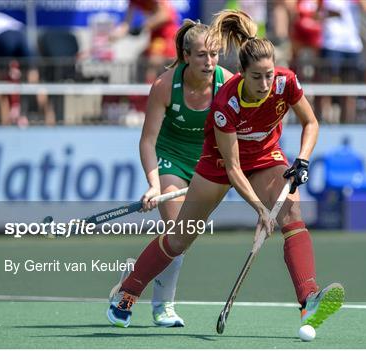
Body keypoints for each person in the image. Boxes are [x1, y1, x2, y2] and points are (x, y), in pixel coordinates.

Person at [107, 9, 344, 330]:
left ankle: (309, 301)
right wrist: (260, 209)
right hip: (218, 163)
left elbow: (310, 122)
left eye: (269, 75)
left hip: (264, 157)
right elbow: (233, 168)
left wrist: (301, 159)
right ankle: (128, 292)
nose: (264, 83)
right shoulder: (226, 102)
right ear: (241, 74)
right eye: (257, 76)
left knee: (291, 214)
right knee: (180, 238)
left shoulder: (286, 81)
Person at [107, 19, 232, 328]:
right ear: (186, 56)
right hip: (171, 159)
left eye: (214, 54)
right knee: (178, 232)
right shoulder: (165, 85)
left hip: (207, 163)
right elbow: (148, 140)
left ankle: (136, 272)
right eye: (202, 54)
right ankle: (158, 305)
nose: (209, 61)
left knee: (184, 238)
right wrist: (153, 185)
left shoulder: (228, 83)